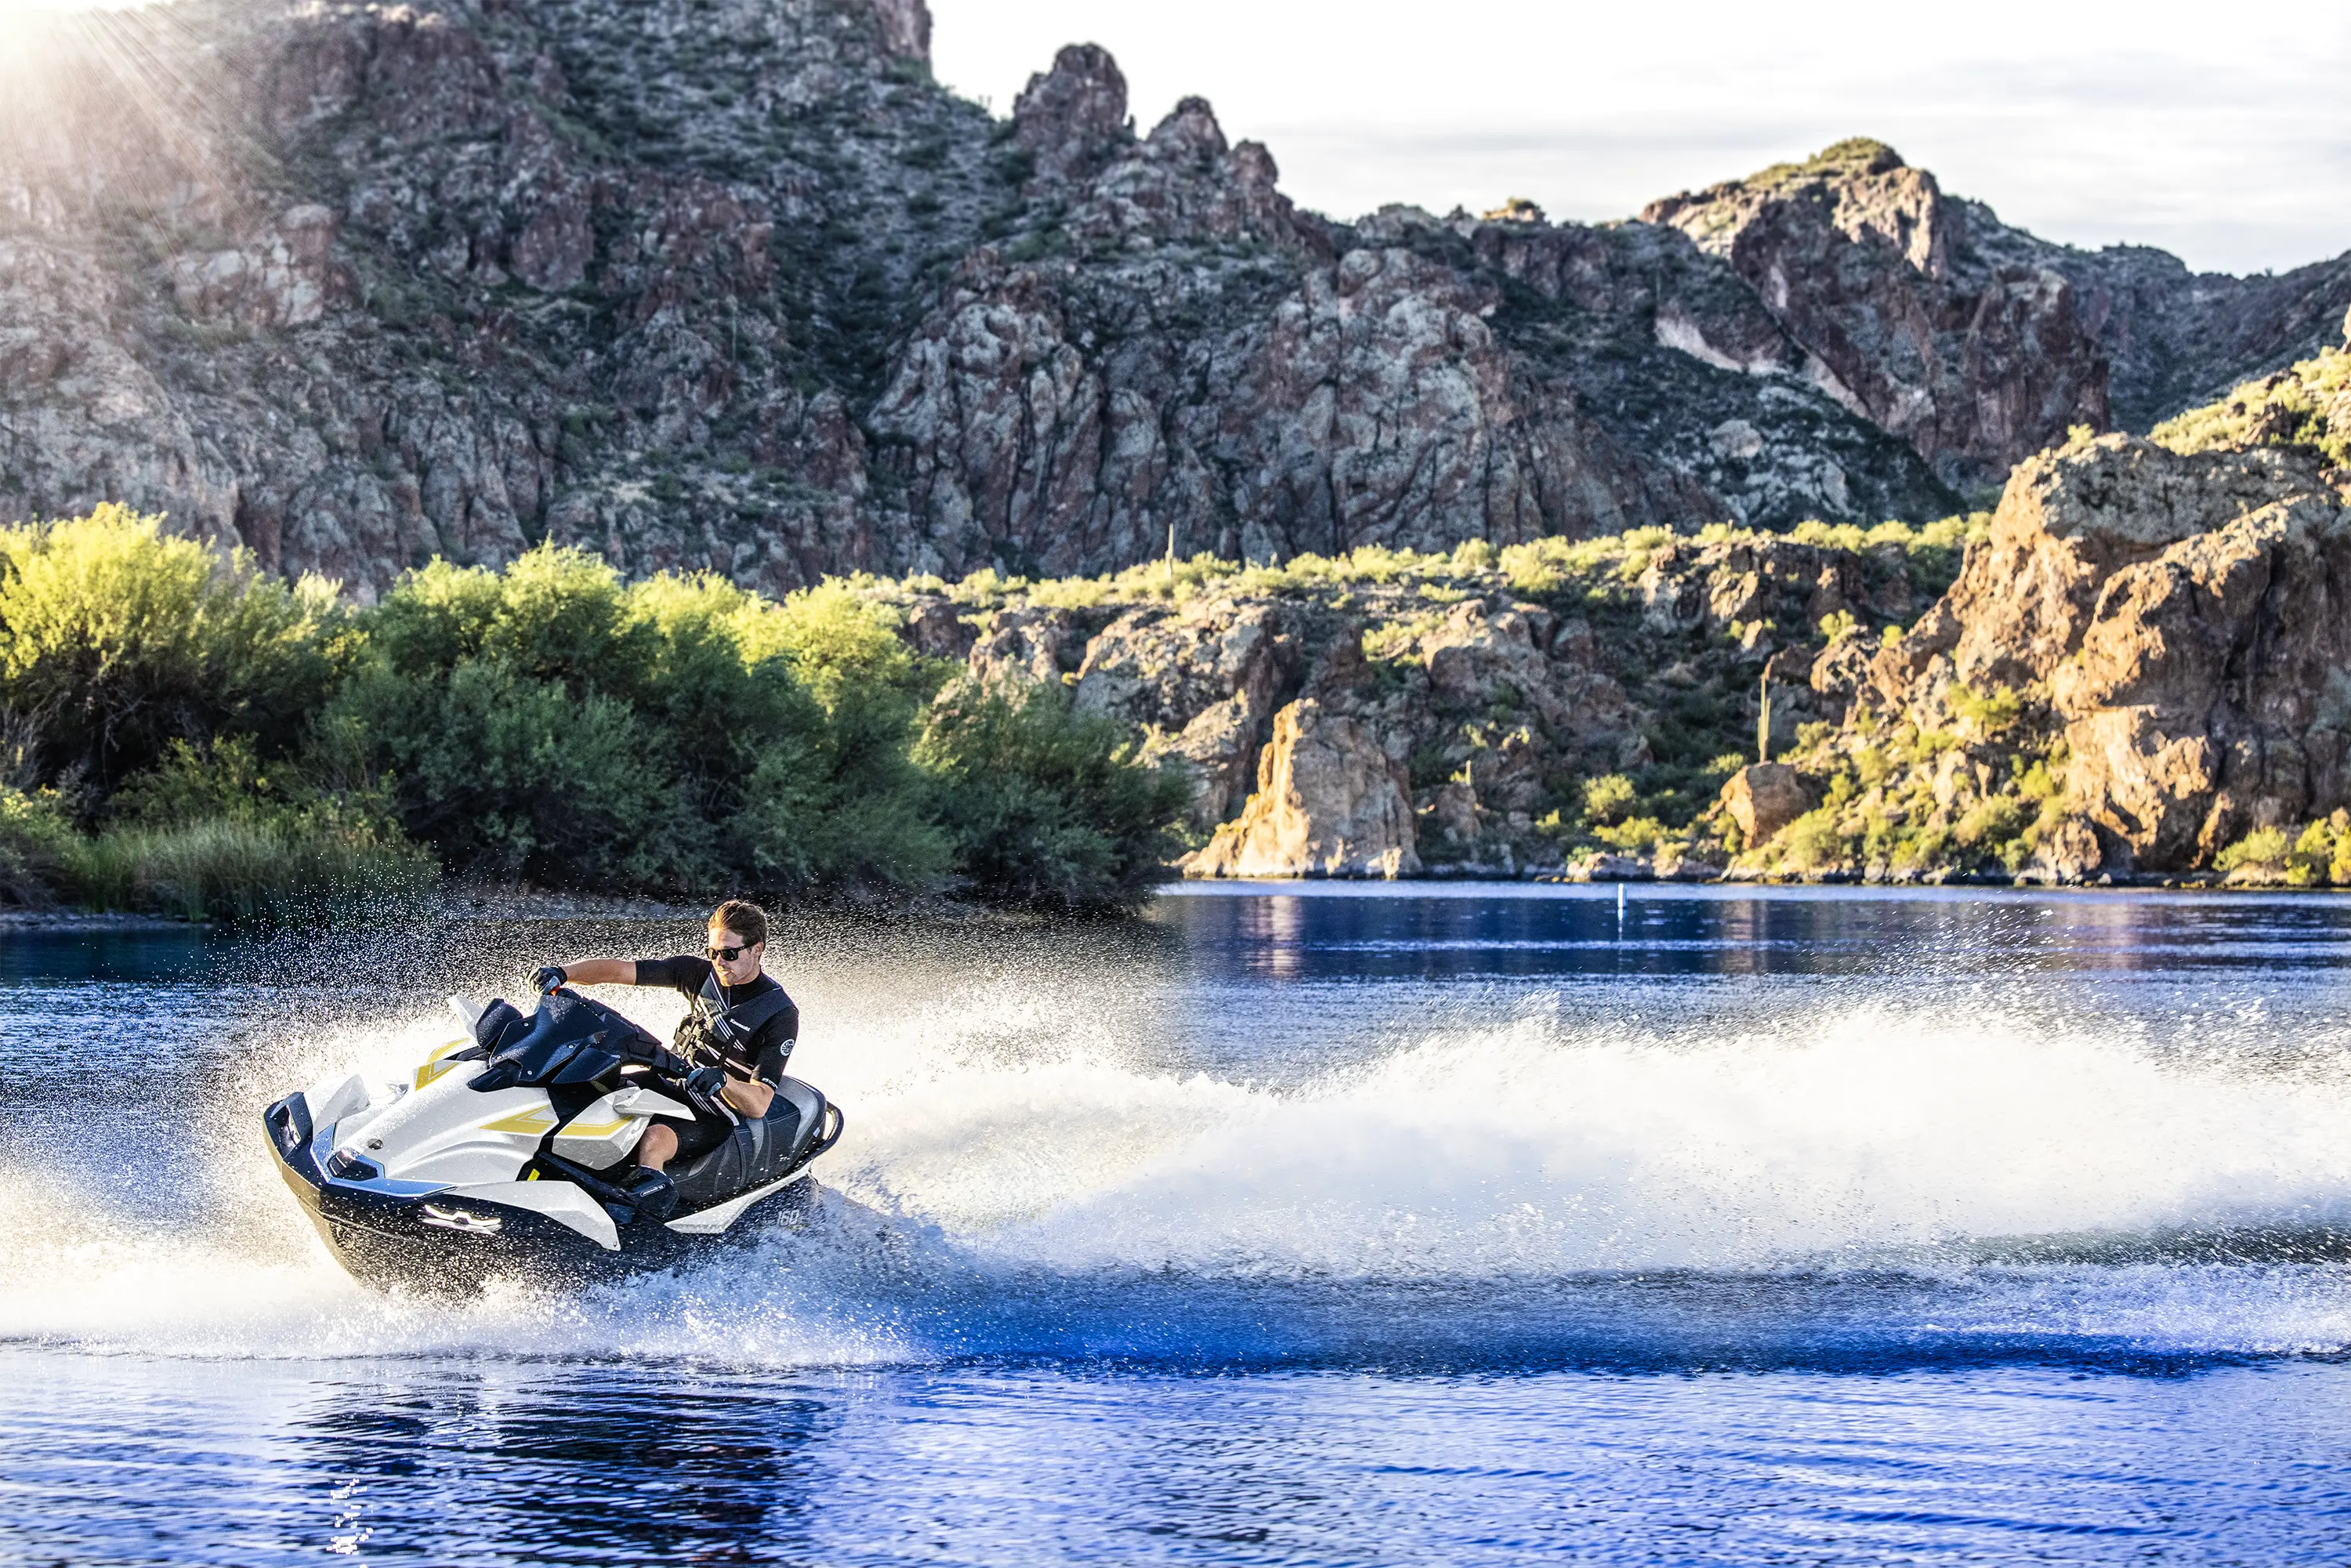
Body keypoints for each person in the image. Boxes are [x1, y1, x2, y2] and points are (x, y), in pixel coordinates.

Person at [534, 899, 799, 1221]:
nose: (719, 962)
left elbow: (758, 1104)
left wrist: (723, 1079)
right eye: (712, 952)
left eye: (729, 953)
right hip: (670, 1082)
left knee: (655, 1138)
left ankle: (639, 1219)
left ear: (757, 950)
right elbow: (617, 970)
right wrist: (563, 974)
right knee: (587, 1086)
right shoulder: (698, 974)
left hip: (715, 1110)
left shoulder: (779, 1014)